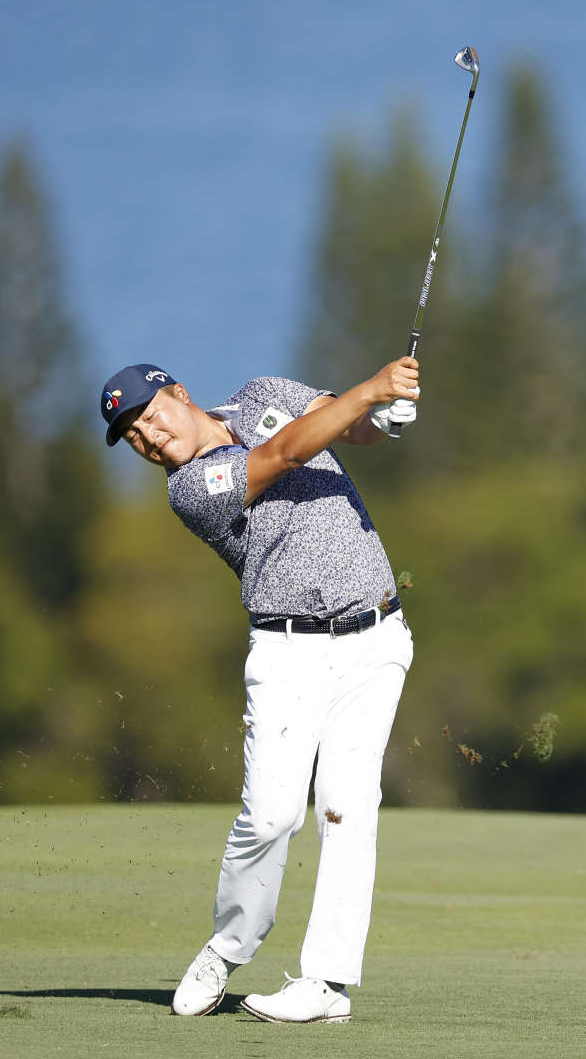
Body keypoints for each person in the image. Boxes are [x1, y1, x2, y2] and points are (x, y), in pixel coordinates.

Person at [98, 354, 422, 1025]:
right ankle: (226, 948)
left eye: (151, 418)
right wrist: (372, 387)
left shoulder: (263, 393)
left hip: (375, 638)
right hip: (287, 652)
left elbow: (347, 430)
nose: (150, 439)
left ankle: (325, 984)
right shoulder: (192, 488)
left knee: (347, 807)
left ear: (181, 395)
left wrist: (384, 414)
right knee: (273, 816)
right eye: (133, 437)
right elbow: (283, 452)